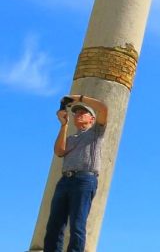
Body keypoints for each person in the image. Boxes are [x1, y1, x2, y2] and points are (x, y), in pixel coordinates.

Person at [43, 94, 109, 252]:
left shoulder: (96, 132)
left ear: (92, 119)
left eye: (82, 113)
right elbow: (59, 151)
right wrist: (63, 125)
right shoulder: (71, 138)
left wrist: (80, 99)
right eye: (76, 113)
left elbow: (103, 109)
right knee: (54, 225)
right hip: (65, 180)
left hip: (84, 180)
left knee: (77, 225)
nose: (77, 115)